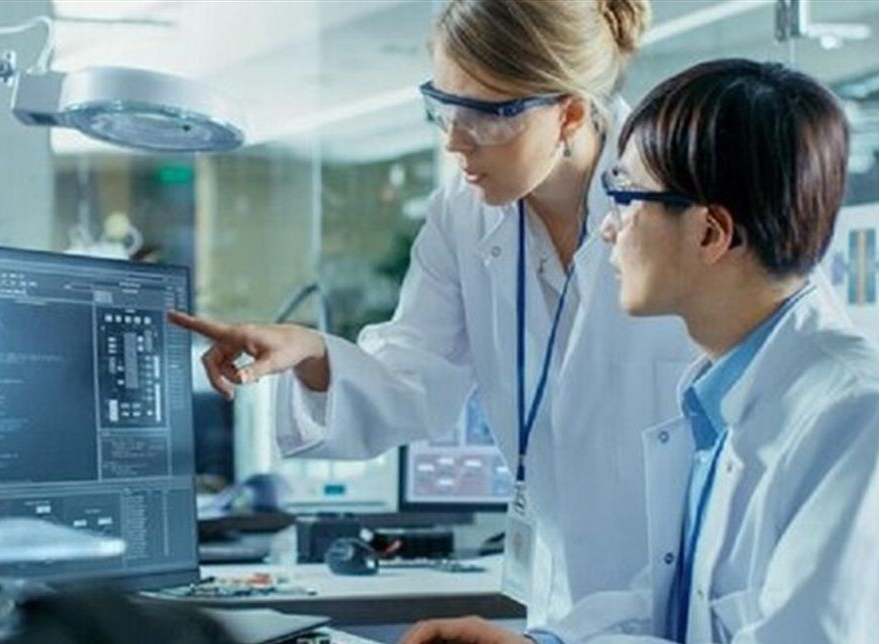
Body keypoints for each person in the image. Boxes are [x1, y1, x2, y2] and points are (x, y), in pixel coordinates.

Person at [402, 59, 879, 643]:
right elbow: (682, 606)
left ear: (710, 232)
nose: (608, 229)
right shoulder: (724, 395)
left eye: (625, 198)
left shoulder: (857, 417)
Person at [169, 0, 700, 630]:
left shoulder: (679, 197)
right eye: (445, 106)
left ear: (570, 113)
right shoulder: (462, 215)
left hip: (691, 585)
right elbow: (415, 374)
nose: (453, 139)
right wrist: (311, 352)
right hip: (563, 592)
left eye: (485, 116)